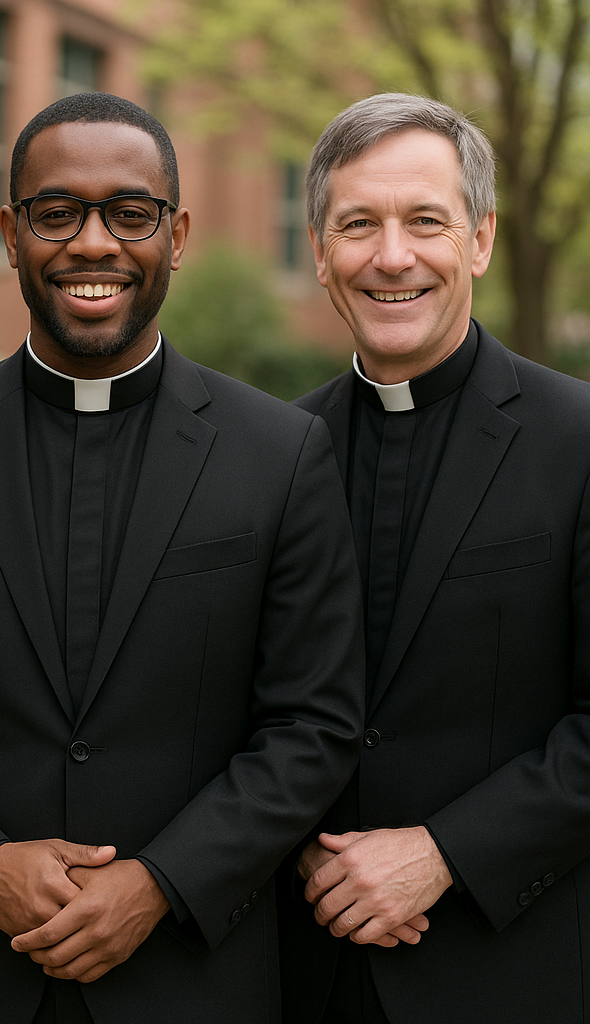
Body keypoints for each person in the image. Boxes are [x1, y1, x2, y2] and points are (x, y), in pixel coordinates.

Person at [0, 91, 364, 1024]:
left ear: (178, 234)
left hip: (195, 980)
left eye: (131, 213)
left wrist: (161, 883)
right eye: (57, 213)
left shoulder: (280, 454)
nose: (95, 243)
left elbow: (313, 725)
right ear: (11, 233)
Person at [279, 92, 590, 1024]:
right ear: (320, 250)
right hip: (300, 969)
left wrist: (445, 852)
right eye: (358, 225)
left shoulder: (580, 440)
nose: (392, 256)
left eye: (426, 221)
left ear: (482, 240)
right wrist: (298, 839)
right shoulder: (271, 454)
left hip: (514, 970)